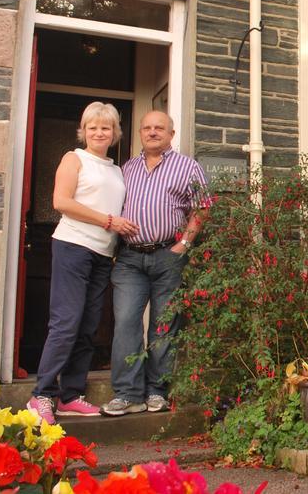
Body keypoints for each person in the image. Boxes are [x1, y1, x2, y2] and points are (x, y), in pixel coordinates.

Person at [28, 102, 139, 425]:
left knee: (88, 327)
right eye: (93, 127)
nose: (99, 132)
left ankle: (71, 396)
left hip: (103, 254)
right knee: (66, 323)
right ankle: (42, 395)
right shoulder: (74, 159)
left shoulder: (116, 169)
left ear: (114, 133)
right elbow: (61, 202)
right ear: (84, 130)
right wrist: (109, 221)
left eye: (105, 127)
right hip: (73, 246)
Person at [102, 111, 207, 416]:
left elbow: (203, 206)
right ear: (140, 134)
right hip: (130, 258)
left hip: (167, 256)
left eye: (159, 128)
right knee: (126, 323)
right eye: (146, 128)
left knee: (163, 325)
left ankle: (157, 391)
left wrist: (184, 244)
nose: (152, 132)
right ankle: (126, 393)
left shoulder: (187, 167)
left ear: (171, 134)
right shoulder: (127, 169)